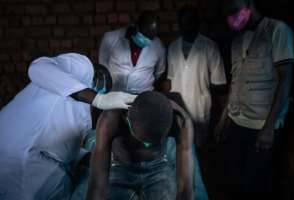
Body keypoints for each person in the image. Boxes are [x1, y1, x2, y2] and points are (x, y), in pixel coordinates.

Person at [0, 53, 136, 200]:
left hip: (44, 169)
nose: (98, 91)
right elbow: (38, 67)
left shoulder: (84, 118)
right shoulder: (81, 68)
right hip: (20, 155)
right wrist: (97, 98)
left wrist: (97, 155)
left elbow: (67, 148)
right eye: (100, 86)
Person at [215, 0, 294, 199]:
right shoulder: (236, 41)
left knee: (257, 184)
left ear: (249, 4)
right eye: (227, 14)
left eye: (234, 10)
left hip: (261, 125)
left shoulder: (277, 30)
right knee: (235, 180)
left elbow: (285, 80)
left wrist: (269, 128)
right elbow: (235, 84)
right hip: (236, 121)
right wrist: (223, 119)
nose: (231, 18)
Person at [86, 91, 195, 200]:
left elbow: (185, 187)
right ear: (127, 119)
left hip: (157, 167)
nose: (147, 146)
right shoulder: (110, 118)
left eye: (154, 143)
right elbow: (97, 186)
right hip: (121, 166)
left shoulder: (181, 121)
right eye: (144, 141)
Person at [168, 5, 227, 148]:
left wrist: (222, 117)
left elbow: (219, 83)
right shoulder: (173, 47)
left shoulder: (210, 46)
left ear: (197, 23)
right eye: (183, 23)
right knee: (180, 147)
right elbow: (171, 79)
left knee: (199, 149)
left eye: (190, 22)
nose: (186, 26)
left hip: (200, 108)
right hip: (178, 108)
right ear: (179, 24)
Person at [99, 10, 166, 94]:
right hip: (115, 94)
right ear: (135, 25)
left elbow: (159, 72)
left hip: (143, 96)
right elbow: (103, 65)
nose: (146, 39)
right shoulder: (110, 38)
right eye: (144, 34)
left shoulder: (158, 46)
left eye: (150, 37)